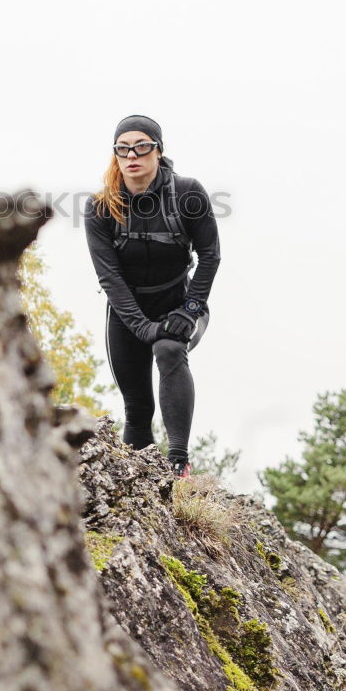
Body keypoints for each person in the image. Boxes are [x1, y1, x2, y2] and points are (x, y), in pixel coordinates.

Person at [84, 114, 221, 478]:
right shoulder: (100, 207)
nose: (133, 155)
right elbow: (109, 277)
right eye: (123, 148)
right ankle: (143, 488)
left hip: (180, 303)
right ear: (115, 154)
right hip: (127, 313)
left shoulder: (188, 193)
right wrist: (142, 327)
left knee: (170, 350)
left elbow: (211, 255)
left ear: (158, 151)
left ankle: (179, 463)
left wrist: (190, 310)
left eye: (142, 146)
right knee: (138, 408)